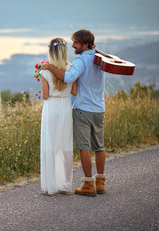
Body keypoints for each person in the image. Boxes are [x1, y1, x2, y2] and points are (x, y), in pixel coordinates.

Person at [40, 29, 107, 197]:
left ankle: (88, 184)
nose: (73, 46)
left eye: (76, 43)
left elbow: (69, 78)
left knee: (84, 147)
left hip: (83, 108)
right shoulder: (99, 58)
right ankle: (101, 182)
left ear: (85, 44)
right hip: (99, 108)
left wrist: (49, 66)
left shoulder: (80, 61)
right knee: (99, 146)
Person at [39, 37, 77, 196]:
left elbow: (45, 96)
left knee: (51, 145)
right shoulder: (71, 69)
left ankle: (51, 185)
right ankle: (65, 185)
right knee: (65, 145)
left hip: (51, 107)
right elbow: (74, 92)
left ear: (50, 52)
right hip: (65, 106)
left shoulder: (45, 71)